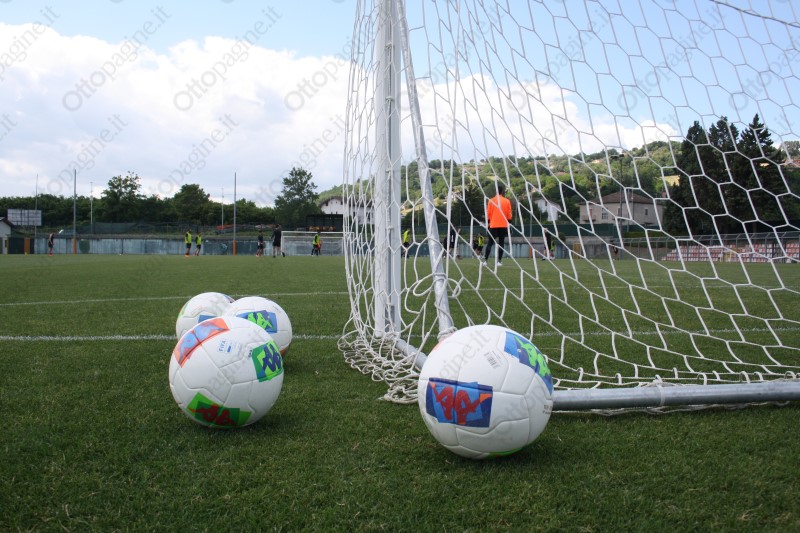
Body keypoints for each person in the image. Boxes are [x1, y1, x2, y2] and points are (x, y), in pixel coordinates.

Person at [483, 182, 512, 267]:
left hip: (493, 225)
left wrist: (488, 223)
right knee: (501, 243)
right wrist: (509, 224)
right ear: (502, 192)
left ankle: (486, 261)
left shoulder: (491, 201)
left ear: (495, 192)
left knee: (490, 243)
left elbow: (488, 214)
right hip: (503, 225)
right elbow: (509, 214)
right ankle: (499, 261)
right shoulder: (507, 201)